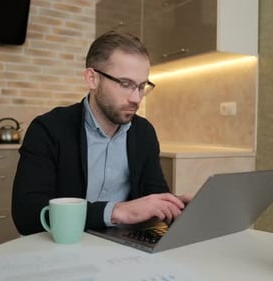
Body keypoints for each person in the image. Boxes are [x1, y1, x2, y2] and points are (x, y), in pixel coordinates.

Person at [12, 31, 191, 235]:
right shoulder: (48, 129)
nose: (136, 98)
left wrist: (176, 206)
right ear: (92, 79)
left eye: (142, 86)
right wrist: (115, 212)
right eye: (125, 84)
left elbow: (154, 194)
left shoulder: (144, 132)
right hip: (66, 244)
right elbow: (26, 215)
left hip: (124, 246)